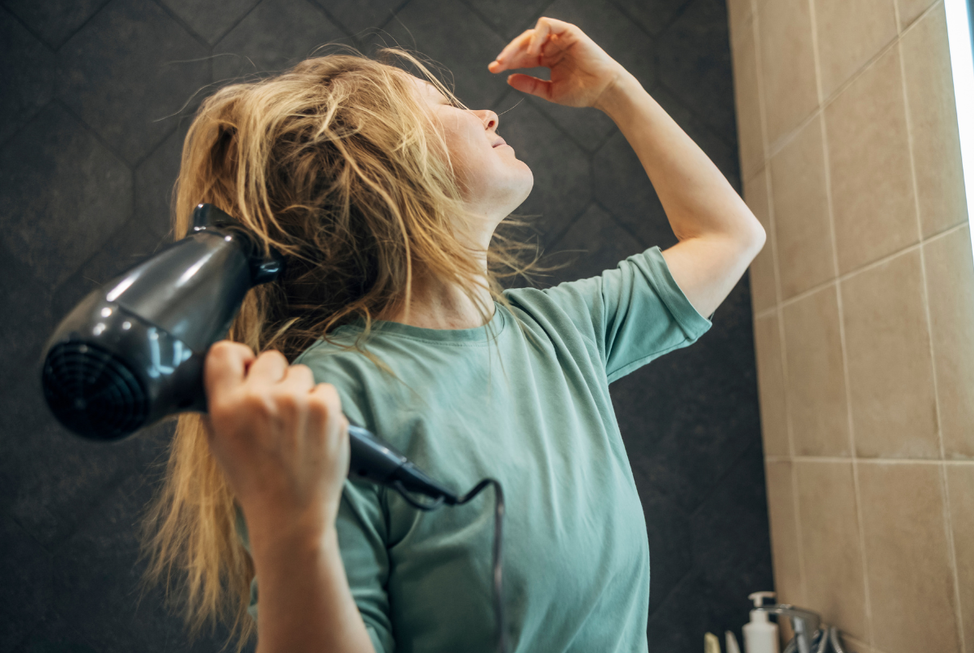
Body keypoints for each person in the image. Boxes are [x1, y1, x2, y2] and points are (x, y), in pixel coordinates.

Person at [139, 16, 765, 653]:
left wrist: (614, 89)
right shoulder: (324, 403)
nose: (488, 115)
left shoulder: (560, 332)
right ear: (385, 169)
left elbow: (729, 238)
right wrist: (288, 528)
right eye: (447, 106)